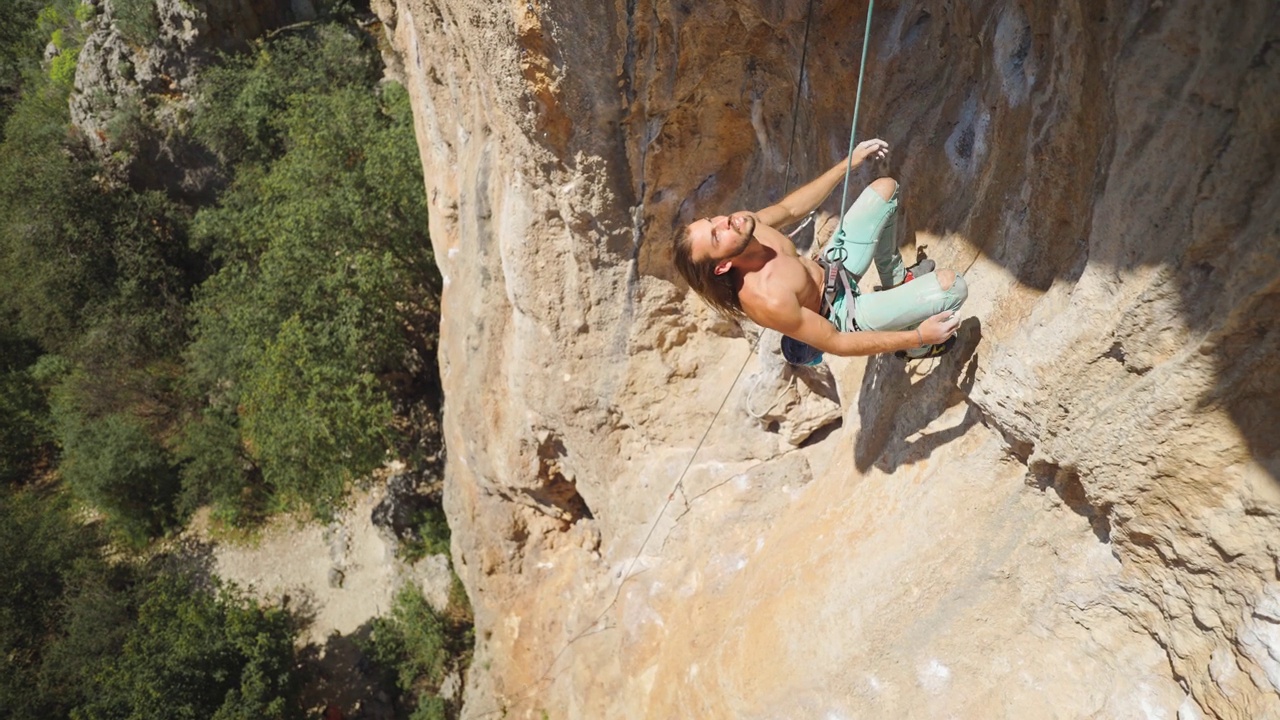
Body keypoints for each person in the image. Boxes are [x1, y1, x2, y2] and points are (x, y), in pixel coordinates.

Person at [672, 138, 968, 364]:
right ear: (722, 266)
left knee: (885, 189)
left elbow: (791, 208)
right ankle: (916, 349)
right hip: (843, 315)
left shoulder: (747, 225)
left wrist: (847, 164)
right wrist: (919, 335)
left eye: (713, 220)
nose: (725, 221)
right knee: (952, 287)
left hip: (834, 267)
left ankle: (896, 279)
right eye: (716, 235)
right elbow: (835, 342)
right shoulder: (766, 299)